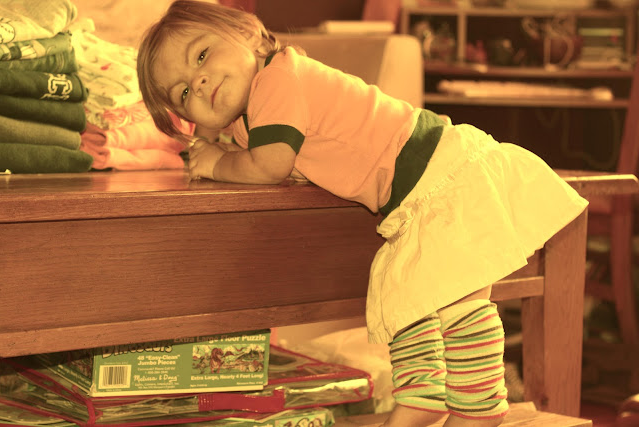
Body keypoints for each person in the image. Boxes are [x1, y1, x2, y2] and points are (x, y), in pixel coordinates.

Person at [136, 2, 589, 426]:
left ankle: (480, 406)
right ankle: (424, 396)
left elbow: (269, 165)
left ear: (249, 36)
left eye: (201, 56)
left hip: (439, 173)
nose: (199, 82)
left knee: (458, 299)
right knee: (401, 293)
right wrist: (224, 148)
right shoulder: (249, 118)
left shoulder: (277, 79)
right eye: (183, 92)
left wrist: (218, 163)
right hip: (411, 193)